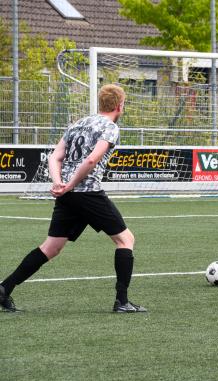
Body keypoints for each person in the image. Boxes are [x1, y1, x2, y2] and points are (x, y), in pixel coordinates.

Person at [0, 84, 146, 313]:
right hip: (86, 192)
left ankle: (4, 288)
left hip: (67, 195)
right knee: (125, 240)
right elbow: (91, 160)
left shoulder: (77, 123)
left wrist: (59, 183)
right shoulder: (110, 127)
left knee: (51, 247)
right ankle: (122, 302)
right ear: (120, 105)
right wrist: (70, 184)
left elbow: (54, 156)